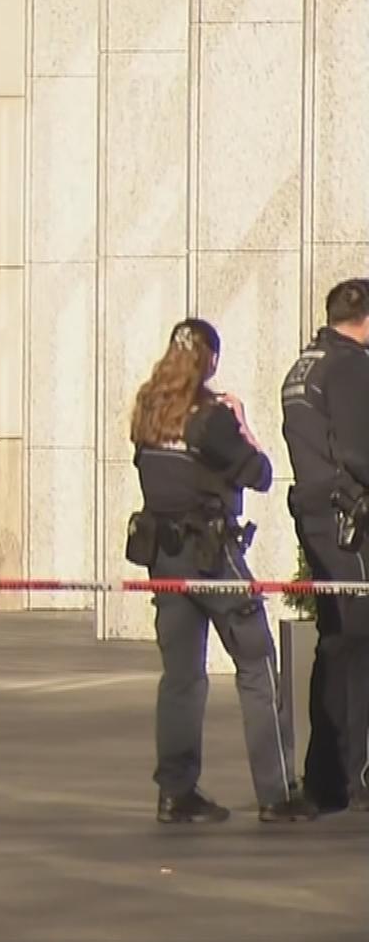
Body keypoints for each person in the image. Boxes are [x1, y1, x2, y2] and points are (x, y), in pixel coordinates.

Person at [126, 319, 316, 823]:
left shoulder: (148, 409)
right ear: (209, 359)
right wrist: (243, 423)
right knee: (257, 664)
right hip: (214, 556)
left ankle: (176, 792)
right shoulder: (211, 417)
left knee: (182, 676)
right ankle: (276, 794)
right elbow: (260, 474)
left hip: (162, 557)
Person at [280, 278, 369, 814]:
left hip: (319, 519)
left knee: (337, 643)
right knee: (356, 647)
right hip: (350, 525)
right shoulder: (351, 365)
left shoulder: (305, 365)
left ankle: (325, 777)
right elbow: (361, 450)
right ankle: (346, 777)